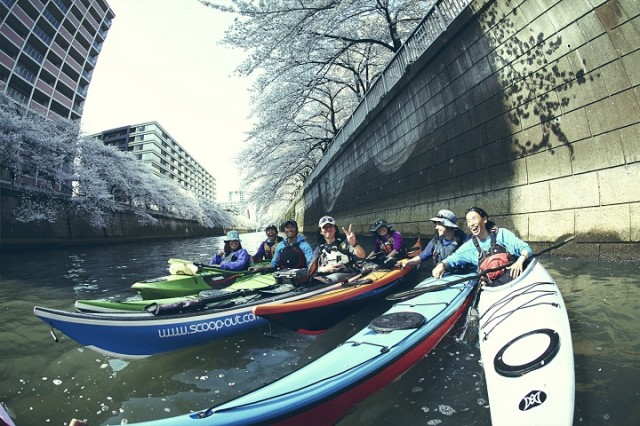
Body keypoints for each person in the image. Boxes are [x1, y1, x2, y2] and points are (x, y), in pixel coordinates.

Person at [432, 207, 532, 284]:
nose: (471, 224)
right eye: (468, 221)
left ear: (484, 219)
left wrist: (520, 260)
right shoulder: (470, 246)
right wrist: (441, 265)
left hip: (515, 280)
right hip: (492, 287)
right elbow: (453, 258)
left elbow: (525, 248)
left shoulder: (501, 234)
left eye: (474, 219)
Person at [403, 209, 470, 270]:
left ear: (448, 225)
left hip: (461, 276)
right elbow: (422, 256)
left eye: (439, 224)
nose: (436, 227)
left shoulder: (465, 240)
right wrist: (407, 263)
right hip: (442, 274)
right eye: (436, 224)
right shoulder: (435, 241)